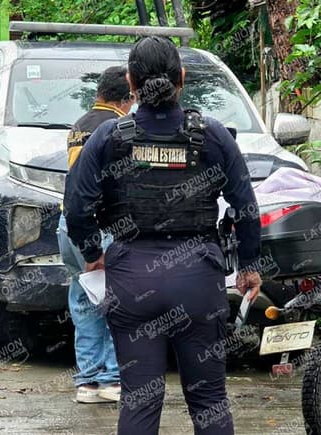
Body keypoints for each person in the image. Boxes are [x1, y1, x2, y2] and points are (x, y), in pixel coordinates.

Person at [63, 36, 262, 435]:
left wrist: (91, 254)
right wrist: (249, 266)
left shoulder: (108, 138)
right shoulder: (213, 135)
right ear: (182, 79)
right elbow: (245, 207)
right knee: (208, 401)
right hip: (198, 279)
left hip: (132, 279)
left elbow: (76, 207)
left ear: (131, 83)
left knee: (140, 401)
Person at [57, 65, 134, 404]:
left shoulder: (78, 126)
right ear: (127, 98)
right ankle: (112, 380)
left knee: (84, 302)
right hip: (101, 227)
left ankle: (87, 382)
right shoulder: (116, 127)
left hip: (69, 226)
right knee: (117, 304)